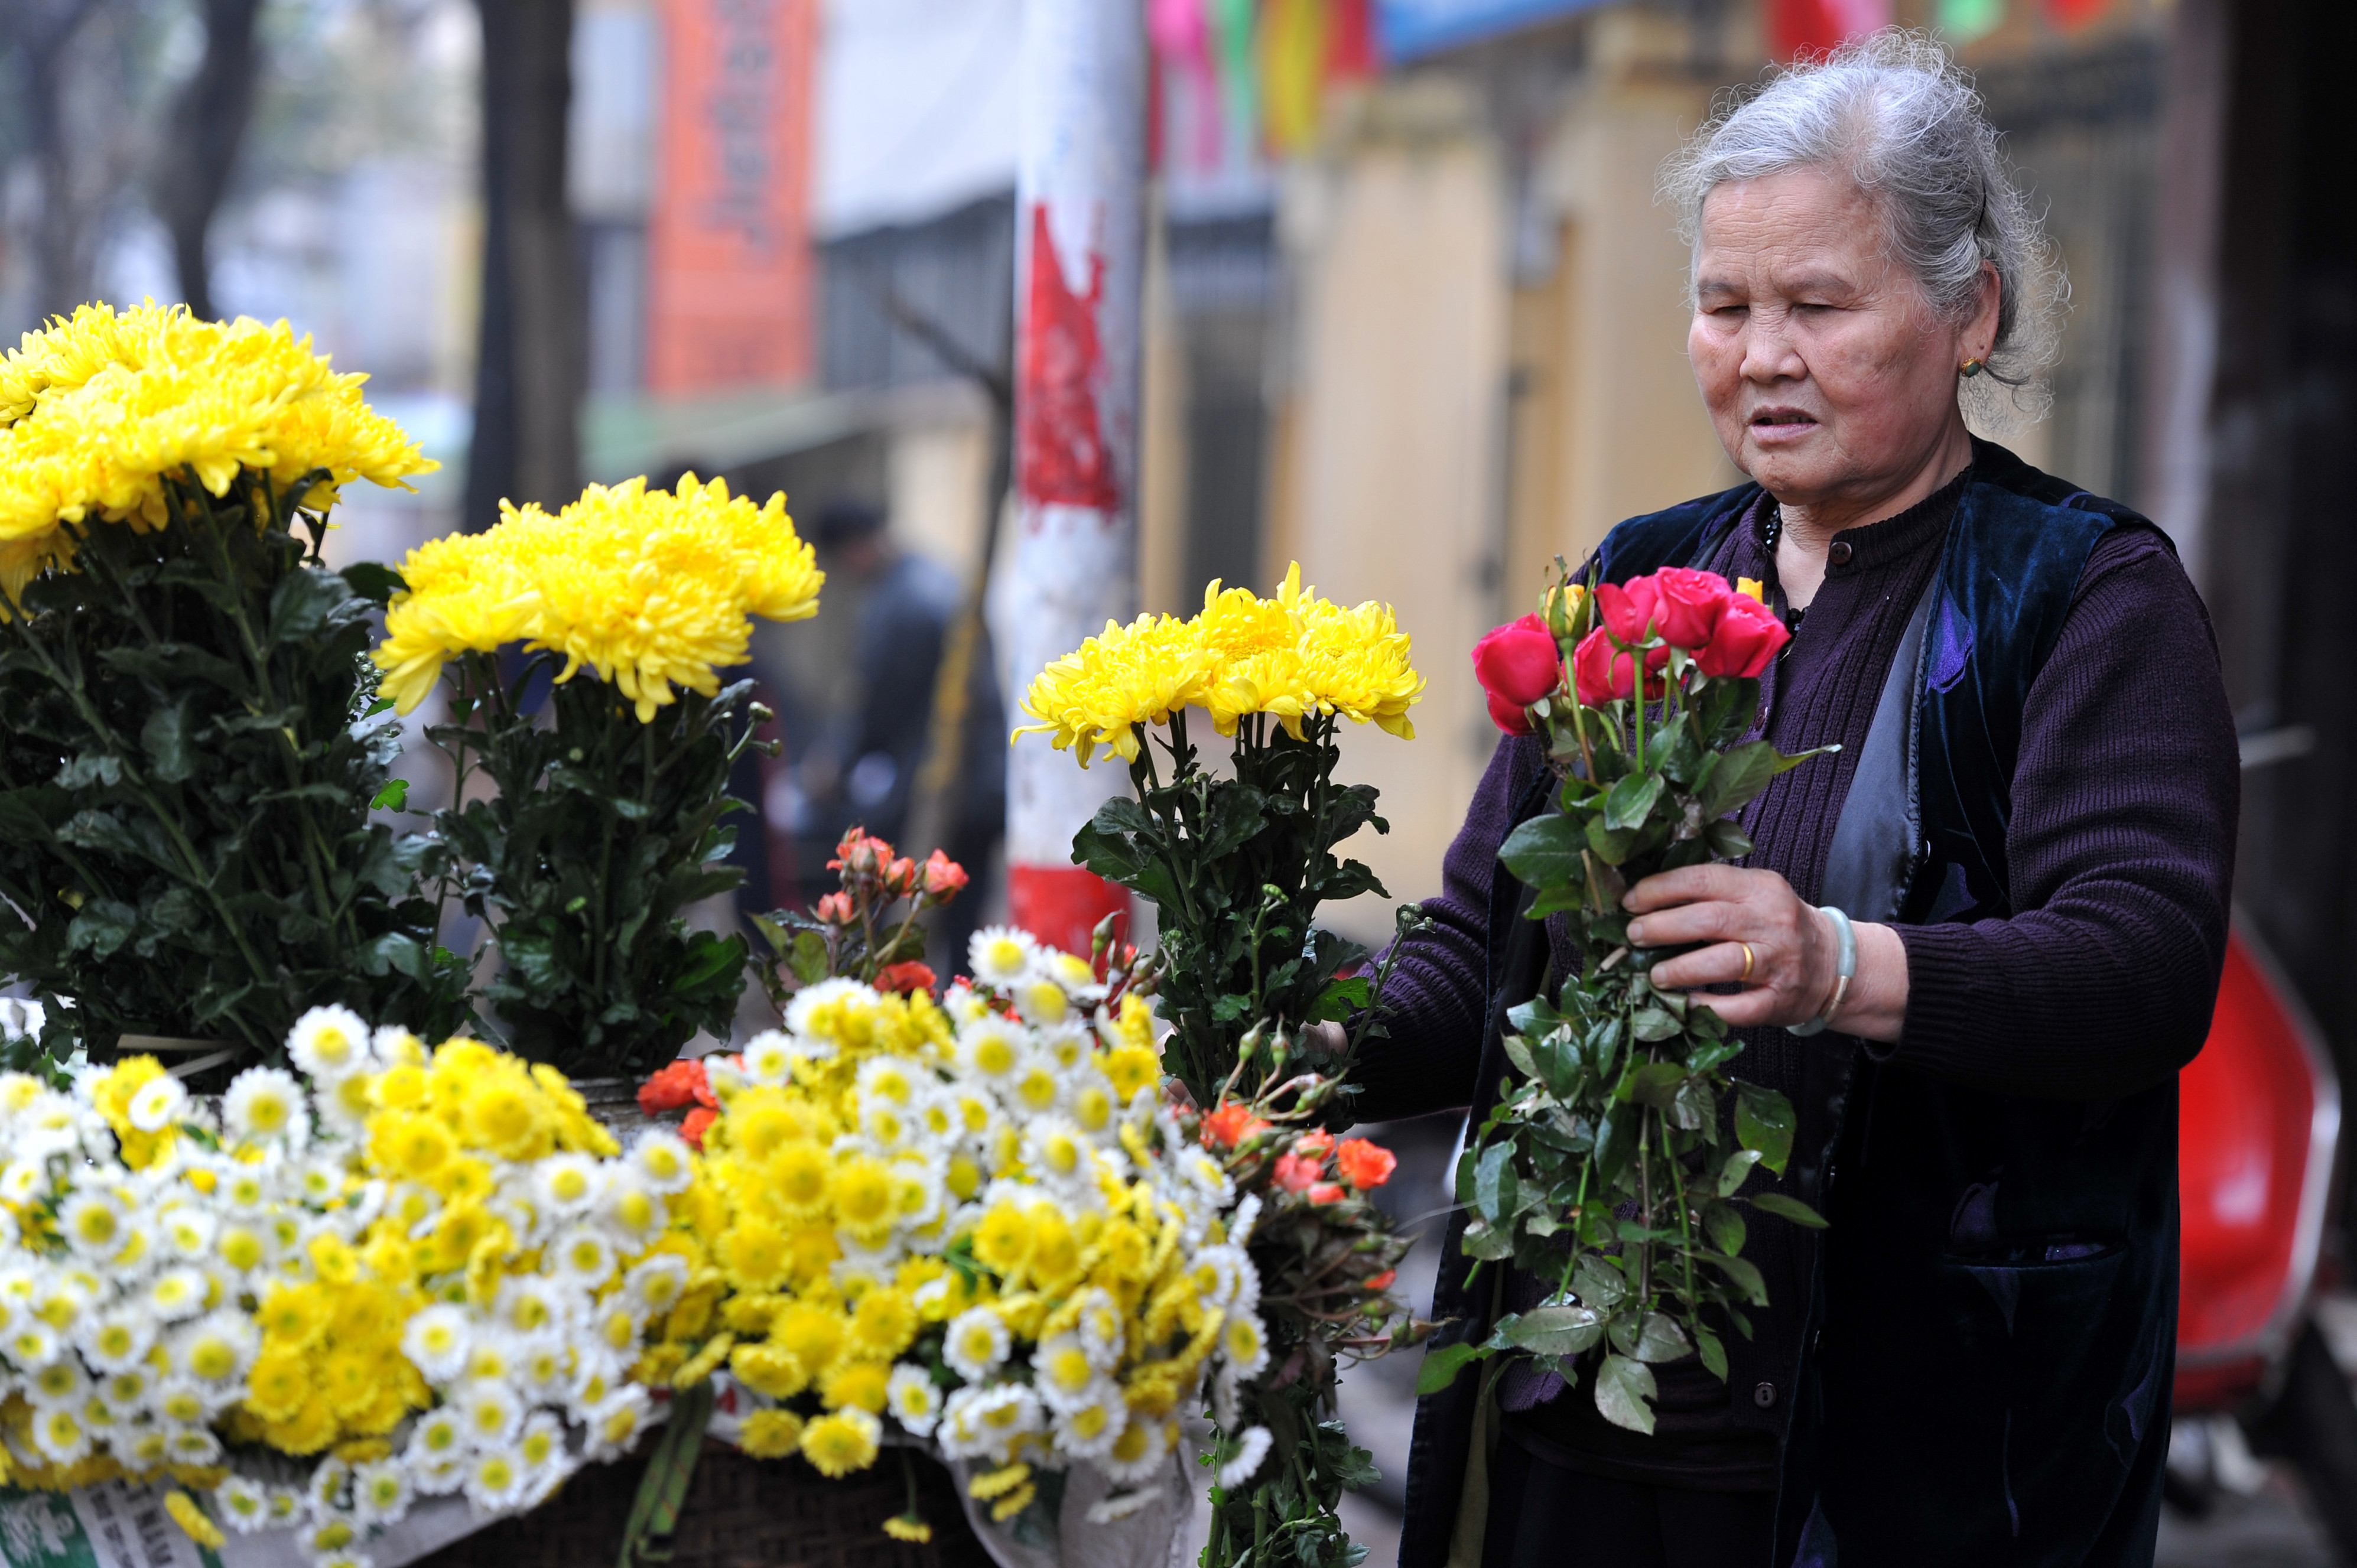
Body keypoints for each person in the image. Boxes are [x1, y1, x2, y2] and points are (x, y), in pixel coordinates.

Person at [1338, 34, 2238, 1568]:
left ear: (1973, 312)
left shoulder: (2083, 597)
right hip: (1580, 1429)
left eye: (1818, 307)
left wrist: (1839, 965)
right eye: (1724, 305)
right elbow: (1479, 953)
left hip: (1909, 1453)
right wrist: (1265, 1046)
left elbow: (2140, 966)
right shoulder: (1643, 575)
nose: (1760, 355)